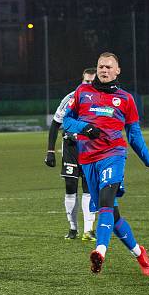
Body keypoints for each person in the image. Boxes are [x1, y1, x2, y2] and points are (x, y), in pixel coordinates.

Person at [62, 52, 149, 275]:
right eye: (101, 66)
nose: (104, 70)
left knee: (107, 201)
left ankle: (100, 251)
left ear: (117, 71)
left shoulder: (126, 99)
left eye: (108, 67)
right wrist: (83, 128)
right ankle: (139, 253)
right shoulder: (82, 92)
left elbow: (134, 134)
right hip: (88, 160)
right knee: (112, 215)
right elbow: (66, 121)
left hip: (114, 154)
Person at [46, 68, 97, 241]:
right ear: (82, 81)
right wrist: (50, 151)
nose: (89, 85)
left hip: (90, 148)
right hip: (71, 148)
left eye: (92, 82)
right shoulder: (70, 98)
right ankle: (73, 228)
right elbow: (55, 124)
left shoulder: (100, 101)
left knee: (89, 188)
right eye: (86, 82)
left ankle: (88, 230)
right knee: (70, 188)